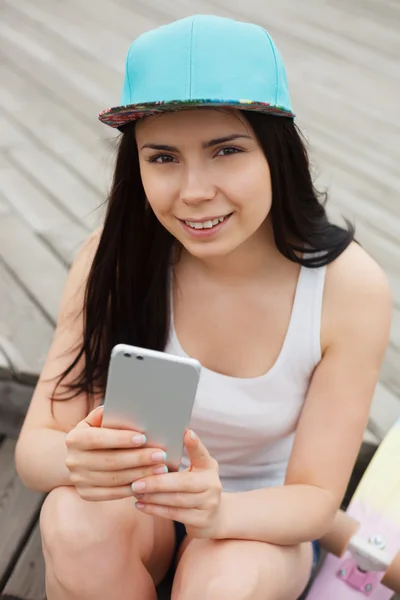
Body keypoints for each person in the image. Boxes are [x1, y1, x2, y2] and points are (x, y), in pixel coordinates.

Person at [15, 14, 392, 600]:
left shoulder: (346, 288)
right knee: (71, 518)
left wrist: (218, 515)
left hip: (261, 518)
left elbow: (316, 500)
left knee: (223, 582)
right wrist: (76, 459)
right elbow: (36, 446)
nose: (193, 191)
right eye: (162, 157)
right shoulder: (112, 259)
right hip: (139, 501)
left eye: (226, 150)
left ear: (277, 152)